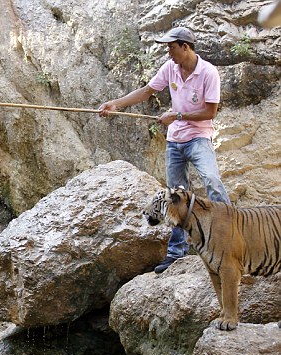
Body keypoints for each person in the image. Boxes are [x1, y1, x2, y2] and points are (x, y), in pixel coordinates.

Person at [99, 26, 230, 274]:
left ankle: (230, 236)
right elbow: (147, 91)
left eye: (171, 47)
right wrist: (116, 103)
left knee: (212, 179)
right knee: (176, 197)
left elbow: (210, 112)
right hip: (175, 142)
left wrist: (177, 115)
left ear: (185, 47)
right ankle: (176, 253)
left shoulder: (208, 73)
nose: (168, 52)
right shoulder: (170, 68)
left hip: (199, 138)